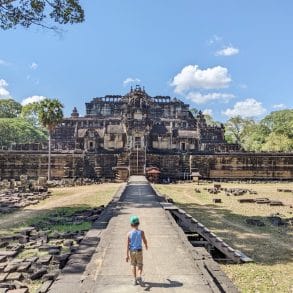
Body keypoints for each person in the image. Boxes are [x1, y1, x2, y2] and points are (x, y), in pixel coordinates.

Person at [126, 215, 148, 286]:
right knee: (140, 265)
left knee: (133, 265)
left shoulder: (129, 234)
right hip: (139, 251)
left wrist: (126, 255)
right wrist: (146, 245)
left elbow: (127, 245)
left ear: (131, 224)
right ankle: (139, 276)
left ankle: (134, 280)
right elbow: (144, 240)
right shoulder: (141, 232)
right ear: (139, 223)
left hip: (132, 251)